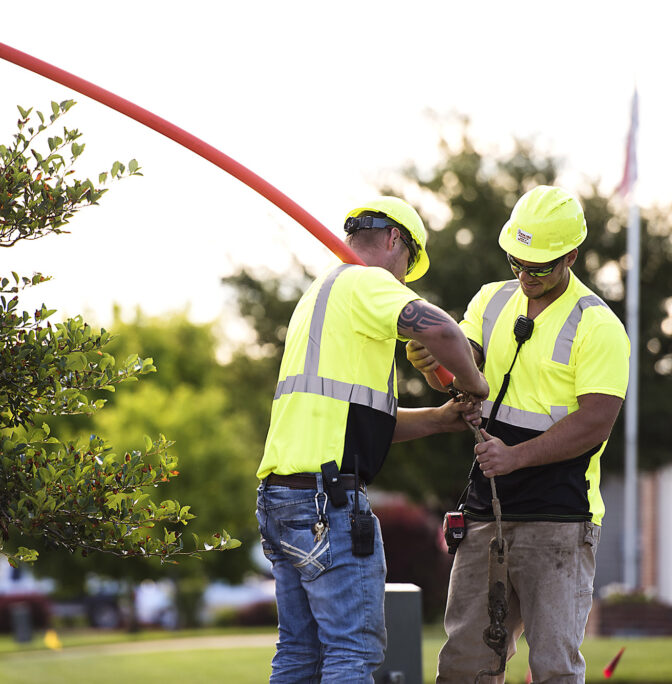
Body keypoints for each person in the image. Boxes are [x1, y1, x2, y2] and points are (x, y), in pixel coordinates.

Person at [256, 196, 490, 683]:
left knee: (300, 654)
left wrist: (441, 418)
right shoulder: (367, 282)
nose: (403, 281)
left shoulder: (319, 295)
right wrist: (475, 384)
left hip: (284, 497)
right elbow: (443, 329)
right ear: (393, 241)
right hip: (326, 502)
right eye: (407, 266)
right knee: (353, 652)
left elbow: (361, 422)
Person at [407, 186, 630, 684]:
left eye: (540, 267)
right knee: (464, 665)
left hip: (560, 519)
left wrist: (515, 457)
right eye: (516, 263)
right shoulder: (491, 300)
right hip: (487, 513)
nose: (526, 276)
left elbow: (596, 421)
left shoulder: (599, 328)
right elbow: (465, 368)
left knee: (553, 666)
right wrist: (433, 364)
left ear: (571, 256)